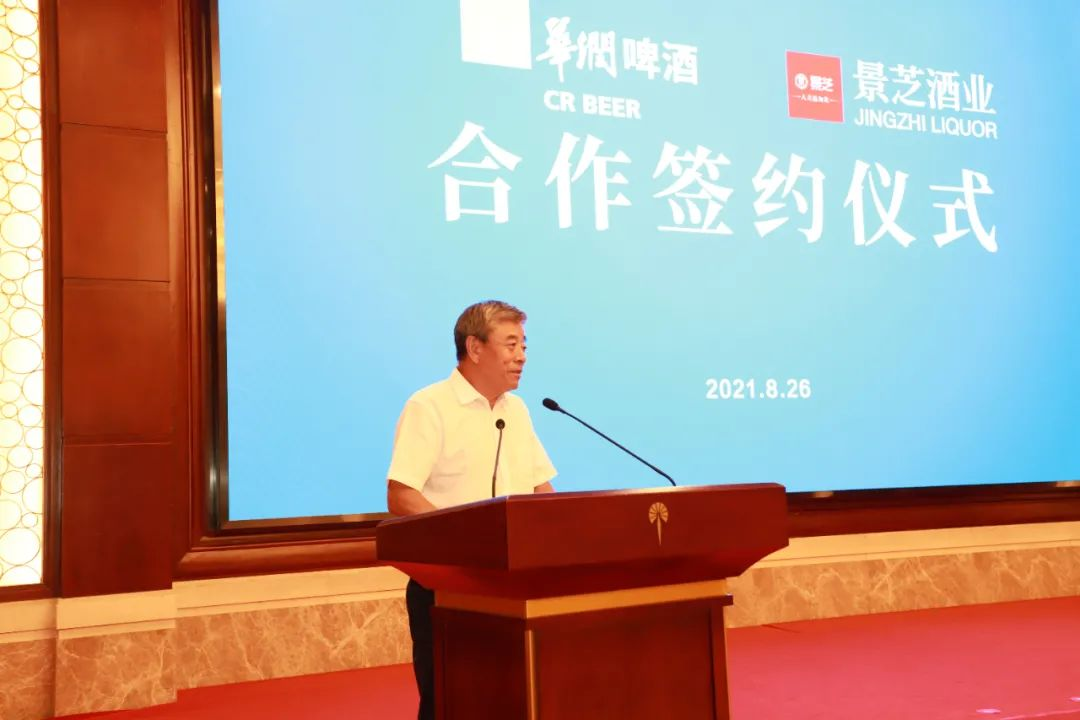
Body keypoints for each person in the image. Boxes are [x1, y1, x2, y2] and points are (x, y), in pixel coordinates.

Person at [386, 300, 556, 720]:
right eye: (511, 344)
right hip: (448, 587)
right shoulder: (430, 406)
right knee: (452, 704)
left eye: (524, 345)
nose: (522, 356)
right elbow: (402, 494)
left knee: (512, 701)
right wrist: (461, 544)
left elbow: (540, 488)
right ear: (475, 348)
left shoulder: (516, 410)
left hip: (512, 586)